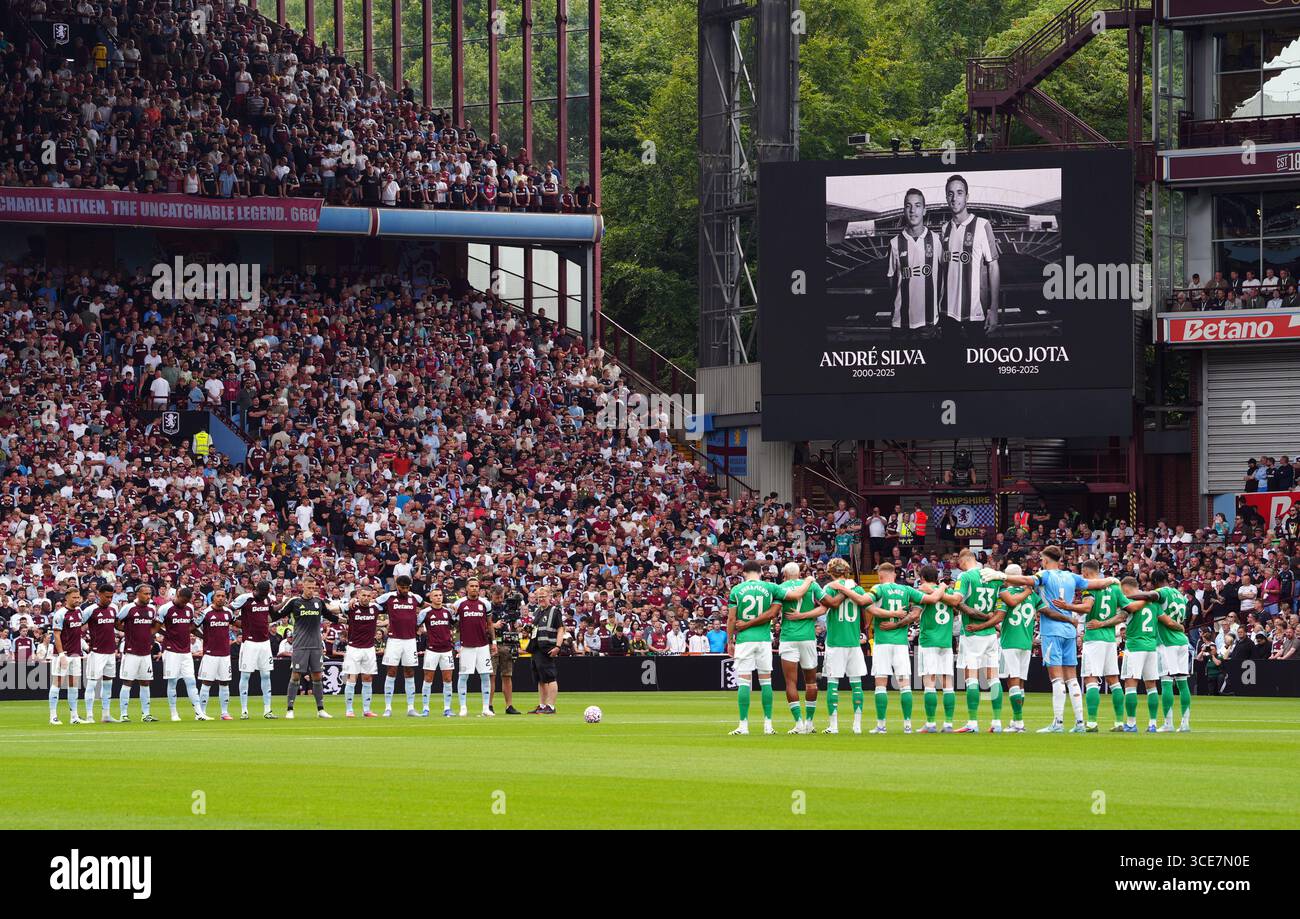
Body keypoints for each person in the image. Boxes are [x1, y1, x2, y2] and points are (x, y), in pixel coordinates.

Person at [1000, 546, 1119, 733]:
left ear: (1046, 560)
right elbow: (1095, 584)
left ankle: (1058, 722)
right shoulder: (1072, 576)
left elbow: (1025, 580)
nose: (1040, 562)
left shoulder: (1045, 575)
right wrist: (1111, 580)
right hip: (1069, 631)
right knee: (1071, 677)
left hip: (1052, 630)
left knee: (1056, 678)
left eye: (1041, 559)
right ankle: (1080, 722)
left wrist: (1003, 577)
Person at [861, 562, 926, 734]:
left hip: (882, 642)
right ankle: (907, 725)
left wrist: (890, 615)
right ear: (895, 574)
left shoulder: (879, 589)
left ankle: (881, 725)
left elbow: (869, 606)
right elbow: (923, 602)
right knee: (905, 684)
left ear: (881, 576)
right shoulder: (906, 590)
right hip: (900, 643)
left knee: (880, 684)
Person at [725, 559, 788, 735]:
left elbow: (731, 619)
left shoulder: (737, 590)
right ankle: (768, 725)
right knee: (766, 681)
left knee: (744, 682)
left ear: (744, 573)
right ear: (760, 572)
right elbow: (786, 600)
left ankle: (743, 725)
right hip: (764, 639)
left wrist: (730, 641)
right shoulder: (770, 587)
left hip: (745, 640)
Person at [939, 174, 1001, 338]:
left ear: (967, 196)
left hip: (976, 313)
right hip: (947, 312)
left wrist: (993, 309)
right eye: (950, 193)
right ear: (946, 197)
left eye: (959, 193)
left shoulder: (982, 225)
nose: (954, 198)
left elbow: (993, 267)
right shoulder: (944, 229)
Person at [913, 564, 972, 732]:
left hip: (928, 641)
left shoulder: (922, 591)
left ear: (923, 578)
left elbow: (916, 615)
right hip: (946, 641)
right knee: (948, 683)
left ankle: (931, 723)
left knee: (929, 682)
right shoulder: (949, 593)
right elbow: (955, 609)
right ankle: (948, 724)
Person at [983, 564, 1043, 732]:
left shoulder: (1005, 594)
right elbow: (1043, 611)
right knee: (1021, 683)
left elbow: (1004, 611)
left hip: (1009, 643)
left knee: (1013, 682)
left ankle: (1019, 722)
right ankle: (1016, 721)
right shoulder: (1033, 596)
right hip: (1026, 643)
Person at [817, 558, 872, 734]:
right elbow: (867, 607)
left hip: (835, 641)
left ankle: (833, 726)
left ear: (830, 571)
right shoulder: (857, 588)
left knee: (833, 682)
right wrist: (865, 628)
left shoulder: (829, 588)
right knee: (857, 683)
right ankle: (857, 725)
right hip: (853, 642)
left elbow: (828, 606)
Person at [1076, 561, 1132, 732]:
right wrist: (1106, 623)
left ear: (1085, 571)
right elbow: (1125, 612)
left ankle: (1092, 723)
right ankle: (1119, 723)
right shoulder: (1115, 587)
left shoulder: (1090, 587)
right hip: (1109, 640)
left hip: (1093, 639)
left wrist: (1069, 607)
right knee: (1113, 680)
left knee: (1091, 679)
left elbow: (1087, 607)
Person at [954, 551, 1003, 732]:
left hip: (972, 633)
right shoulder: (993, 576)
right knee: (993, 678)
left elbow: (957, 600)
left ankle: (973, 722)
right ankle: (997, 722)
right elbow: (1000, 606)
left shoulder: (965, 576)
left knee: (971, 678)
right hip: (990, 634)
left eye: (959, 561)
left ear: (964, 560)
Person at [277, 577, 338, 719]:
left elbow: (331, 616)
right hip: (300, 645)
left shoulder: (318, 602)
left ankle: (321, 709)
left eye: (313, 588)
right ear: (302, 587)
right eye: (309, 588)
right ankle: (290, 709)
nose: (311, 590)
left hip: (316, 645)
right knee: (296, 675)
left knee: (317, 676)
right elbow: (278, 614)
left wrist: (347, 619)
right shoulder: (295, 602)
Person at [886, 188, 942, 334]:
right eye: (908, 206)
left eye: (917, 205)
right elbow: (891, 280)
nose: (912, 210)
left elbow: (946, 275)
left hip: (929, 322)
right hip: (900, 323)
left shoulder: (936, 240)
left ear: (924, 210)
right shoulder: (894, 243)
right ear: (904, 210)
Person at [773, 562, 819, 734]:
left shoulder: (780, 587)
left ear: (784, 574)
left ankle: (799, 722)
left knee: (791, 682)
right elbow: (825, 606)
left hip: (788, 637)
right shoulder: (812, 585)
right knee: (811, 682)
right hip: (808, 637)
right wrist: (806, 615)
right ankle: (810, 722)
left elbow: (775, 610)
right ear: (799, 573)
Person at [157, 587, 211, 721]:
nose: (184, 604)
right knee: (172, 681)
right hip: (171, 651)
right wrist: (168, 634)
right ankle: (174, 713)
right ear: (177, 595)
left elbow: (190, 627)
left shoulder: (189, 608)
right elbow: (156, 627)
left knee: (191, 681)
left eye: (186, 601)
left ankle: (199, 713)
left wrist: (205, 637)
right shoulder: (165, 609)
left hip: (186, 651)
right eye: (182, 601)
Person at [374, 575, 424, 717]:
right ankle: (388, 708)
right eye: (402, 588)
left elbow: (427, 605)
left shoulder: (415, 598)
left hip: (410, 640)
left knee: (409, 672)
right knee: (391, 671)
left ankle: (411, 707)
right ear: (397, 585)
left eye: (407, 588)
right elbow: (373, 604)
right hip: (394, 640)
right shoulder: (388, 597)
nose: (405, 590)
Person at [231, 581, 277, 719]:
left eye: (267, 593)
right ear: (256, 590)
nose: (265, 596)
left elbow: (273, 614)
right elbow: (229, 609)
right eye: (263, 593)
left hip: (264, 642)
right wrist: (237, 623)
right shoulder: (245, 598)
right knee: (245, 675)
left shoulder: (268, 599)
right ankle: (244, 711)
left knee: (266, 675)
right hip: (249, 643)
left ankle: (267, 710)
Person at [452, 577, 497, 717]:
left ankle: (485, 708)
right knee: (464, 676)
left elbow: (489, 624)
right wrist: (456, 644)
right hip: (466, 646)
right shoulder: (459, 603)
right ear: (466, 588)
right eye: (471, 586)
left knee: (485, 676)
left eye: (476, 586)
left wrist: (494, 642)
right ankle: (463, 707)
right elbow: (454, 626)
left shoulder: (485, 603)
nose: (474, 588)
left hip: (483, 645)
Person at [118, 584, 161, 723]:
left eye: (149, 594)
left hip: (145, 653)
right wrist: (129, 631)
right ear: (138, 594)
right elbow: (117, 622)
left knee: (145, 682)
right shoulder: (128, 608)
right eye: (145, 594)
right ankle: (123, 714)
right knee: (127, 682)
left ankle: (146, 714)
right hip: (131, 652)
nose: (148, 596)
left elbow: (154, 625)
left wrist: (149, 635)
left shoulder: (151, 609)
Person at [82, 583, 122, 723]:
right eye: (107, 597)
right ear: (99, 595)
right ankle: (89, 715)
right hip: (96, 652)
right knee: (92, 684)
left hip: (111, 651)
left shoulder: (113, 608)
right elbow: (77, 627)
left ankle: (106, 715)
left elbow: (117, 625)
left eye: (111, 597)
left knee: (108, 684)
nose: (109, 599)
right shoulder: (90, 610)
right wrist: (83, 645)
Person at [195, 589, 236, 720]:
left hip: (225, 653)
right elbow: (192, 626)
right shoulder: (206, 612)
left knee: (224, 683)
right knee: (206, 682)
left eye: (223, 596)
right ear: (213, 598)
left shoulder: (228, 612)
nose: (221, 598)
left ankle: (224, 712)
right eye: (218, 596)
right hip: (210, 653)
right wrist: (203, 636)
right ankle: (201, 713)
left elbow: (236, 622)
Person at [50, 588, 86, 725]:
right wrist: (61, 655)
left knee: (73, 685)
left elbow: (78, 632)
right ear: (67, 598)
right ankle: (53, 716)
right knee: (57, 683)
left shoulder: (79, 612)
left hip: (76, 654)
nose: (77, 600)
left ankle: (74, 716)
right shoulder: (60, 614)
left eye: (78, 597)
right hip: (63, 654)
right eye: (74, 597)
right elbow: (56, 635)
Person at [418, 587, 456, 717]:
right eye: (436, 595)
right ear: (431, 598)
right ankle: (425, 708)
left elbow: (456, 624)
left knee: (448, 679)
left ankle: (447, 708)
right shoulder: (425, 612)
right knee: (428, 678)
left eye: (440, 595)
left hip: (446, 650)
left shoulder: (448, 612)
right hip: (432, 650)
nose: (439, 597)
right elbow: (416, 625)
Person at [529, 585, 566, 715]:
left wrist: (558, 646)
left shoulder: (554, 611)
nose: (541, 599)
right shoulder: (538, 611)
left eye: (543, 597)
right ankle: (542, 705)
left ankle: (551, 705)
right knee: (540, 679)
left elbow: (561, 628)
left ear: (549, 597)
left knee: (550, 677)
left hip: (547, 648)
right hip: (536, 648)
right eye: (539, 597)